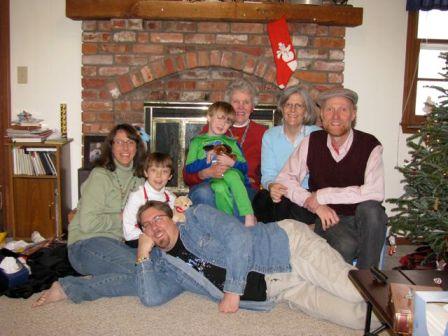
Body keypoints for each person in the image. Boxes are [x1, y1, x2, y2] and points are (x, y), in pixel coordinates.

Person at [131, 201, 374, 330]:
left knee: (354, 289)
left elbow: (239, 237)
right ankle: (407, 317)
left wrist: (233, 291)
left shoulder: (196, 217)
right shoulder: (166, 265)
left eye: (158, 218)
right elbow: (152, 298)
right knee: (356, 318)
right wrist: (142, 254)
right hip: (282, 290)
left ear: (172, 218)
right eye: (147, 225)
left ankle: (406, 296)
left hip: (288, 248)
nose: (154, 227)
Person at [32, 123, 147, 306]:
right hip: (86, 244)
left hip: (120, 245)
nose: (125, 148)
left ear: (137, 146)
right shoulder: (100, 175)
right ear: (111, 146)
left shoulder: (140, 179)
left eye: (130, 142)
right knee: (144, 270)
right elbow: (88, 224)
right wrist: (122, 217)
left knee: (149, 272)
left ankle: (77, 284)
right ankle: (69, 288)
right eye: (119, 142)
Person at [275, 88, 388, 269]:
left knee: (373, 210)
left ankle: (367, 280)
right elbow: (285, 179)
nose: (335, 116)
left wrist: (323, 195)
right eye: (329, 109)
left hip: (362, 215)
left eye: (343, 109)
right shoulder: (312, 141)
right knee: (347, 245)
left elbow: (375, 192)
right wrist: (314, 203)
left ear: (353, 114)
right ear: (322, 115)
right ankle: (340, 283)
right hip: (330, 216)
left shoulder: (370, 145)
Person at [183, 79, 267, 208]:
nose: (240, 106)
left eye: (246, 102)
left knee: (239, 196)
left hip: (244, 187)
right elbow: (187, 174)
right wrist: (204, 173)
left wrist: (245, 178)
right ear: (227, 106)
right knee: (204, 193)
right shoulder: (210, 130)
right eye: (236, 102)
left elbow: (270, 171)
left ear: (252, 107)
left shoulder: (263, 133)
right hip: (209, 183)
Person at [252, 85, 320, 224]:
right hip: (280, 189)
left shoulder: (316, 134)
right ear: (282, 109)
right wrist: (271, 186)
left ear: (306, 110)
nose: (293, 109)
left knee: (291, 206)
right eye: (288, 104)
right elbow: (268, 174)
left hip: (306, 190)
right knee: (263, 200)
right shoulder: (270, 135)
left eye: (298, 105)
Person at [185, 101, 256, 227]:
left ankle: (248, 214)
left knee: (232, 176)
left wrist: (232, 163)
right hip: (212, 179)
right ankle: (227, 225)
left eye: (228, 121)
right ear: (209, 117)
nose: (223, 124)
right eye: (220, 118)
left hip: (231, 174)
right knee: (220, 188)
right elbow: (189, 168)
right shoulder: (197, 141)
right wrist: (206, 161)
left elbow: (244, 168)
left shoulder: (232, 143)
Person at [123, 152, 176, 247]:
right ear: (146, 172)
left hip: (166, 242)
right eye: (154, 170)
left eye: (164, 171)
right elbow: (128, 232)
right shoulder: (136, 197)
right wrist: (154, 237)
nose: (159, 176)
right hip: (139, 242)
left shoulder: (171, 198)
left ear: (170, 176)